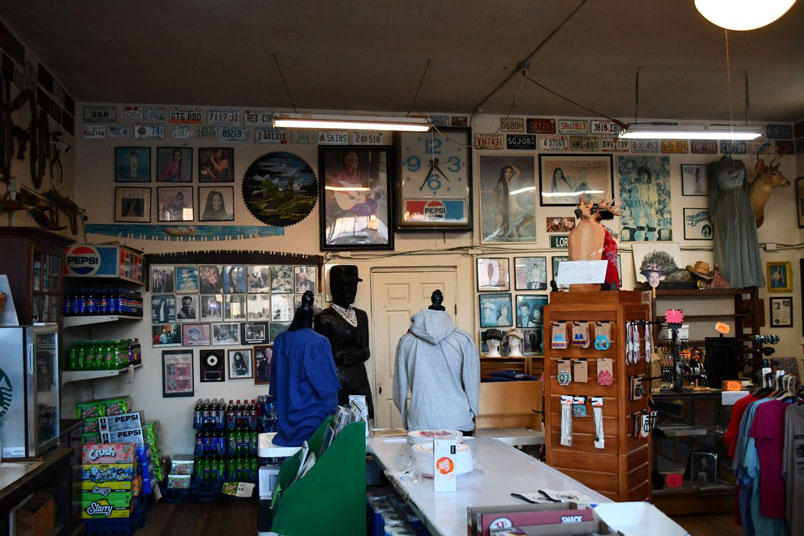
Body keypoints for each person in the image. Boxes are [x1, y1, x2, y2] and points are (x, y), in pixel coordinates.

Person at [393, 305, 480, 432]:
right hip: (458, 420)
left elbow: (399, 388)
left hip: (420, 420)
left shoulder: (406, 341)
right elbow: (472, 385)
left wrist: (407, 418)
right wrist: (474, 413)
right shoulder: (463, 340)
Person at [313, 265, 374, 418]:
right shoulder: (324, 319)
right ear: (334, 287)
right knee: (338, 424)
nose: (351, 290)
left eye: (354, 286)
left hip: (359, 380)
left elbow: (366, 350)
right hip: (337, 382)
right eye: (346, 285)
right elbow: (321, 359)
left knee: (362, 424)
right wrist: (338, 357)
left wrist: (357, 355)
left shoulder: (361, 316)